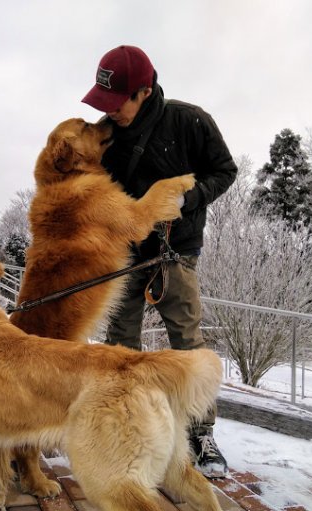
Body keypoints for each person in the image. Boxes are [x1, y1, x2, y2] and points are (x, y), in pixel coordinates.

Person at [82, 45, 238, 478]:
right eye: (104, 103)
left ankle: (200, 434)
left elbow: (225, 171)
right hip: (123, 256)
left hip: (176, 252)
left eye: (118, 103)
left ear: (144, 91)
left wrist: (188, 200)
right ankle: (123, 427)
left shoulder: (191, 122)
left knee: (187, 346)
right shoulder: (104, 135)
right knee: (119, 348)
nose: (110, 112)